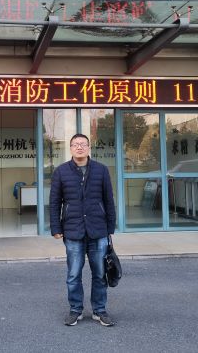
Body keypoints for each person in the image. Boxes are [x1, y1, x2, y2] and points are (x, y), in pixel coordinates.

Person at [50, 133, 117, 327]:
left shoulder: (101, 170)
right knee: (73, 275)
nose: (79, 147)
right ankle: (75, 310)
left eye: (83, 144)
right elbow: (54, 202)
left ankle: (99, 310)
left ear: (89, 147)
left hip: (98, 230)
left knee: (100, 274)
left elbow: (108, 200)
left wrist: (110, 226)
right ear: (70, 148)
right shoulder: (61, 172)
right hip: (73, 230)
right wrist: (55, 227)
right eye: (75, 144)